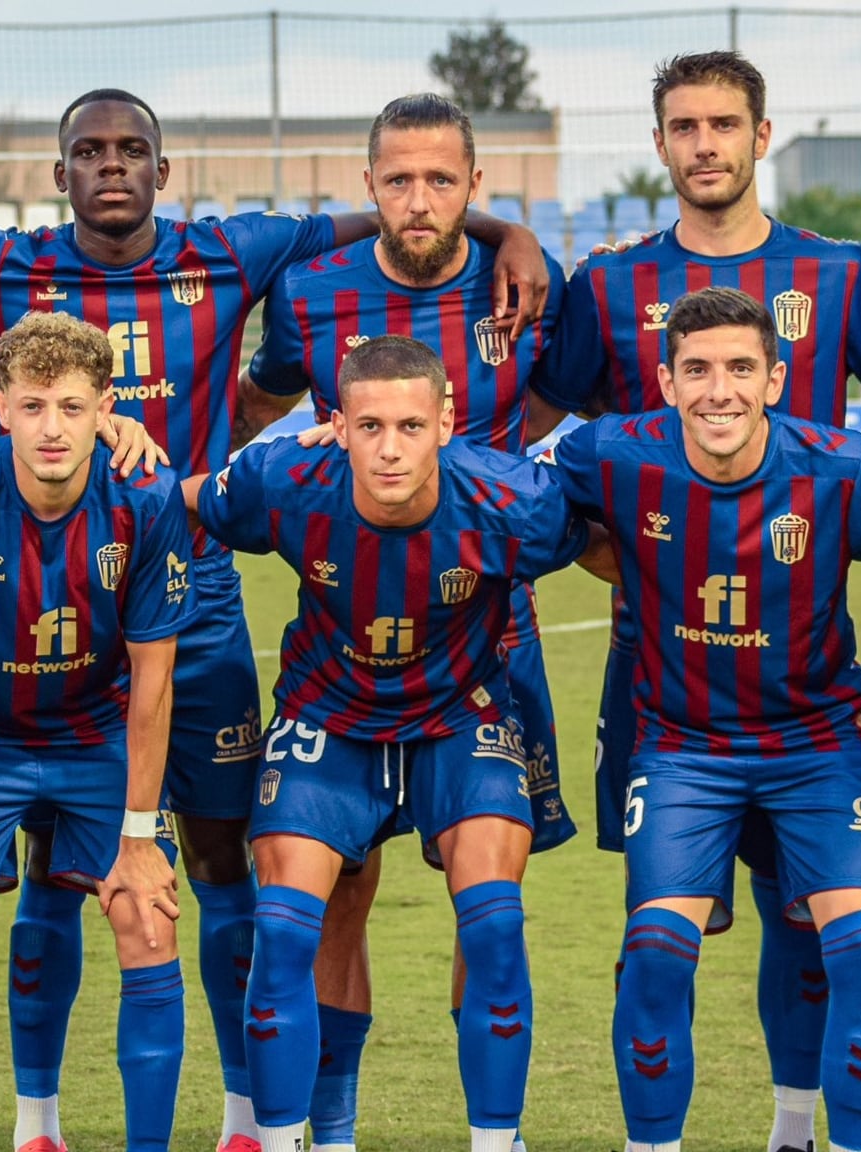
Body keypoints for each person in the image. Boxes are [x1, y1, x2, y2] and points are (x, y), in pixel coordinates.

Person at [0, 86, 553, 1151]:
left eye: (131, 148)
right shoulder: (0, 267)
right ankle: (36, 1120)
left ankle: (246, 1118)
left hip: (199, 586)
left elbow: (392, 214)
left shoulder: (231, 251)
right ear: (60, 174)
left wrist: (510, 232)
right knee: (55, 865)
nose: (110, 165)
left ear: (162, 169)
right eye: (87, 151)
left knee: (224, 856)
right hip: (56, 599)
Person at [545, 54, 861, 1150]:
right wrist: (627, 559)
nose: (703, 143)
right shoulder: (608, 283)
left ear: (761, 136)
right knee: (666, 928)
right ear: (660, 142)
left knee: (808, 921)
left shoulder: (841, 278)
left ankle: (794, 1129)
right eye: (683, 125)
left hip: (805, 656)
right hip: (662, 668)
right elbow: (543, 460)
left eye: (724, 123)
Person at [237, 91, 570, 1152]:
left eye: (442, 180)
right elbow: (250, 413)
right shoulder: (310, 293)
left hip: (485, 642)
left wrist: (489, 478)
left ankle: (492, 1133)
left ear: (475, 187)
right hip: (345, 639)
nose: (418, 199)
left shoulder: (523, 280)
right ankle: (323, 1129)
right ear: (366, 183)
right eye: (398, 179)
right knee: (334, 892)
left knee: (488, 897)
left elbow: (580, 403)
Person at [185, 335, 596, 1152]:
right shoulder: (283, 480)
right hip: (329, 716)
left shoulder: (513, 498)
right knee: (288, 931)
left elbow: (616, 542)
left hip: (460, 716)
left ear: (445, 420)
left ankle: (494, 1142)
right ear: (334, 424)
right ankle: (306, 1140)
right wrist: (122, 448)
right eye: (368, 426)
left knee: (493, 923)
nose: (390, 447)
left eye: (411, 425)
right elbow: (186, 499)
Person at [0, 311, 193, 1152]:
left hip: (97, 734)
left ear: (106, 406)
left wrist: (138, 838)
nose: (51, 428)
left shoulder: (146, 495)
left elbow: (154, 679)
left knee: (148, 913)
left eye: (70, 406)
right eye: (31, 407)